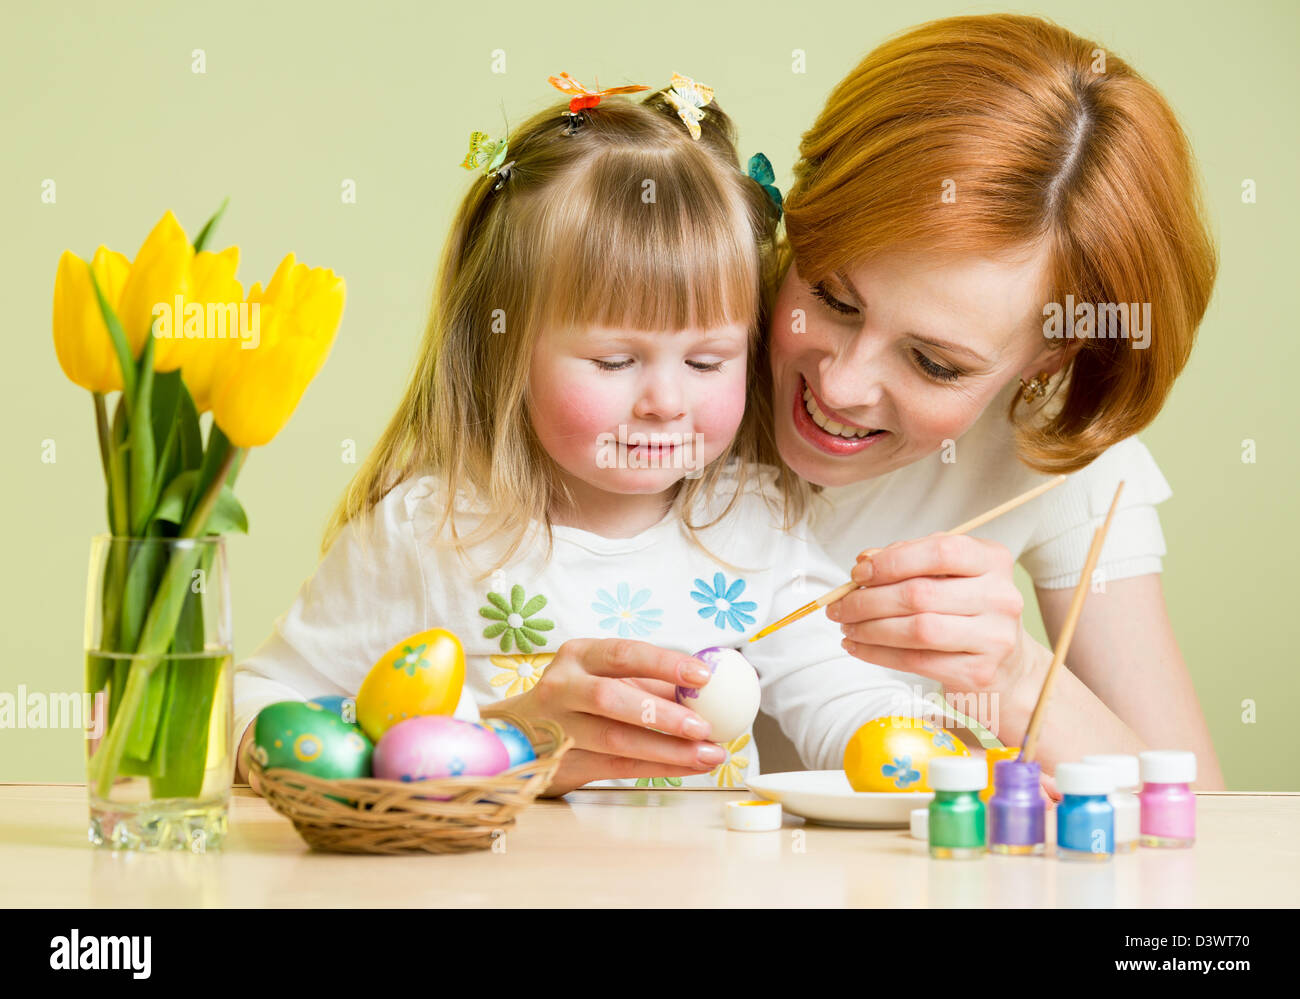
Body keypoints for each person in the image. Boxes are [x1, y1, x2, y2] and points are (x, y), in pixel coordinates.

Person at [232, 79, 932, 793]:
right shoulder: (428, 532)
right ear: (505, 348)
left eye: (706, 360)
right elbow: (250, 714)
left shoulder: (753, 521)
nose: (665, 401)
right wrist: (502, 733)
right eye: (615, 361)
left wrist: (925, 757)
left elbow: (845, 701)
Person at [756, 13, 1224, 788]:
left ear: (1051, 355)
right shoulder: (650, 361)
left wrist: (1011, 676)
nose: (840, 383)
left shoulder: (1052, 449)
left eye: (934, 362)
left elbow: (1206, 824)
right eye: (832, 296)